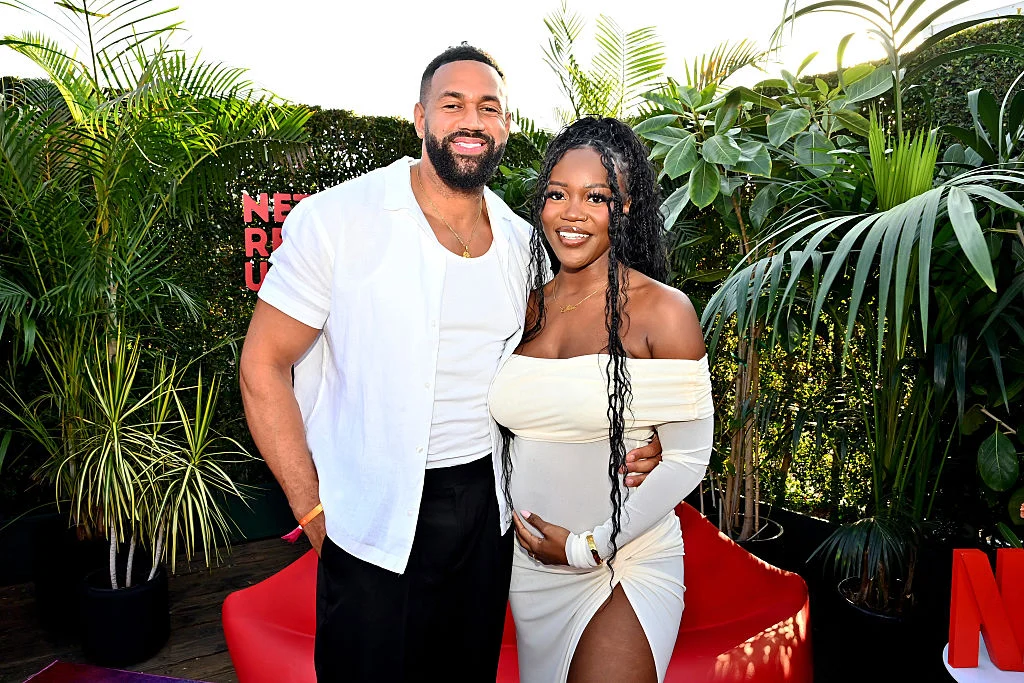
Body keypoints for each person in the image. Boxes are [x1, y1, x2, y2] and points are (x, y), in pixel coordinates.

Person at [238, 46, 664, 682]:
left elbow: (563, 370)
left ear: (506, 126)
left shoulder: (525, 244)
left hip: (488, 512)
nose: (472, 120)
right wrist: (310, 509)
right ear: (419, 118)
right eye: (453, 104)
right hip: (372, 512)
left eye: (489, 107)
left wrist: (640, 434)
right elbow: (262, 366)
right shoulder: (338, 220)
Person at [488, 117, 715, 683]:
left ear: (626, 206)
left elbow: (689, 457)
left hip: (623, 560)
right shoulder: (517, 306)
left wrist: (588, 547)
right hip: (529, 573)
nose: (572, 213)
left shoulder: (663, 310)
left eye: (596, 197)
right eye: (557, 194)